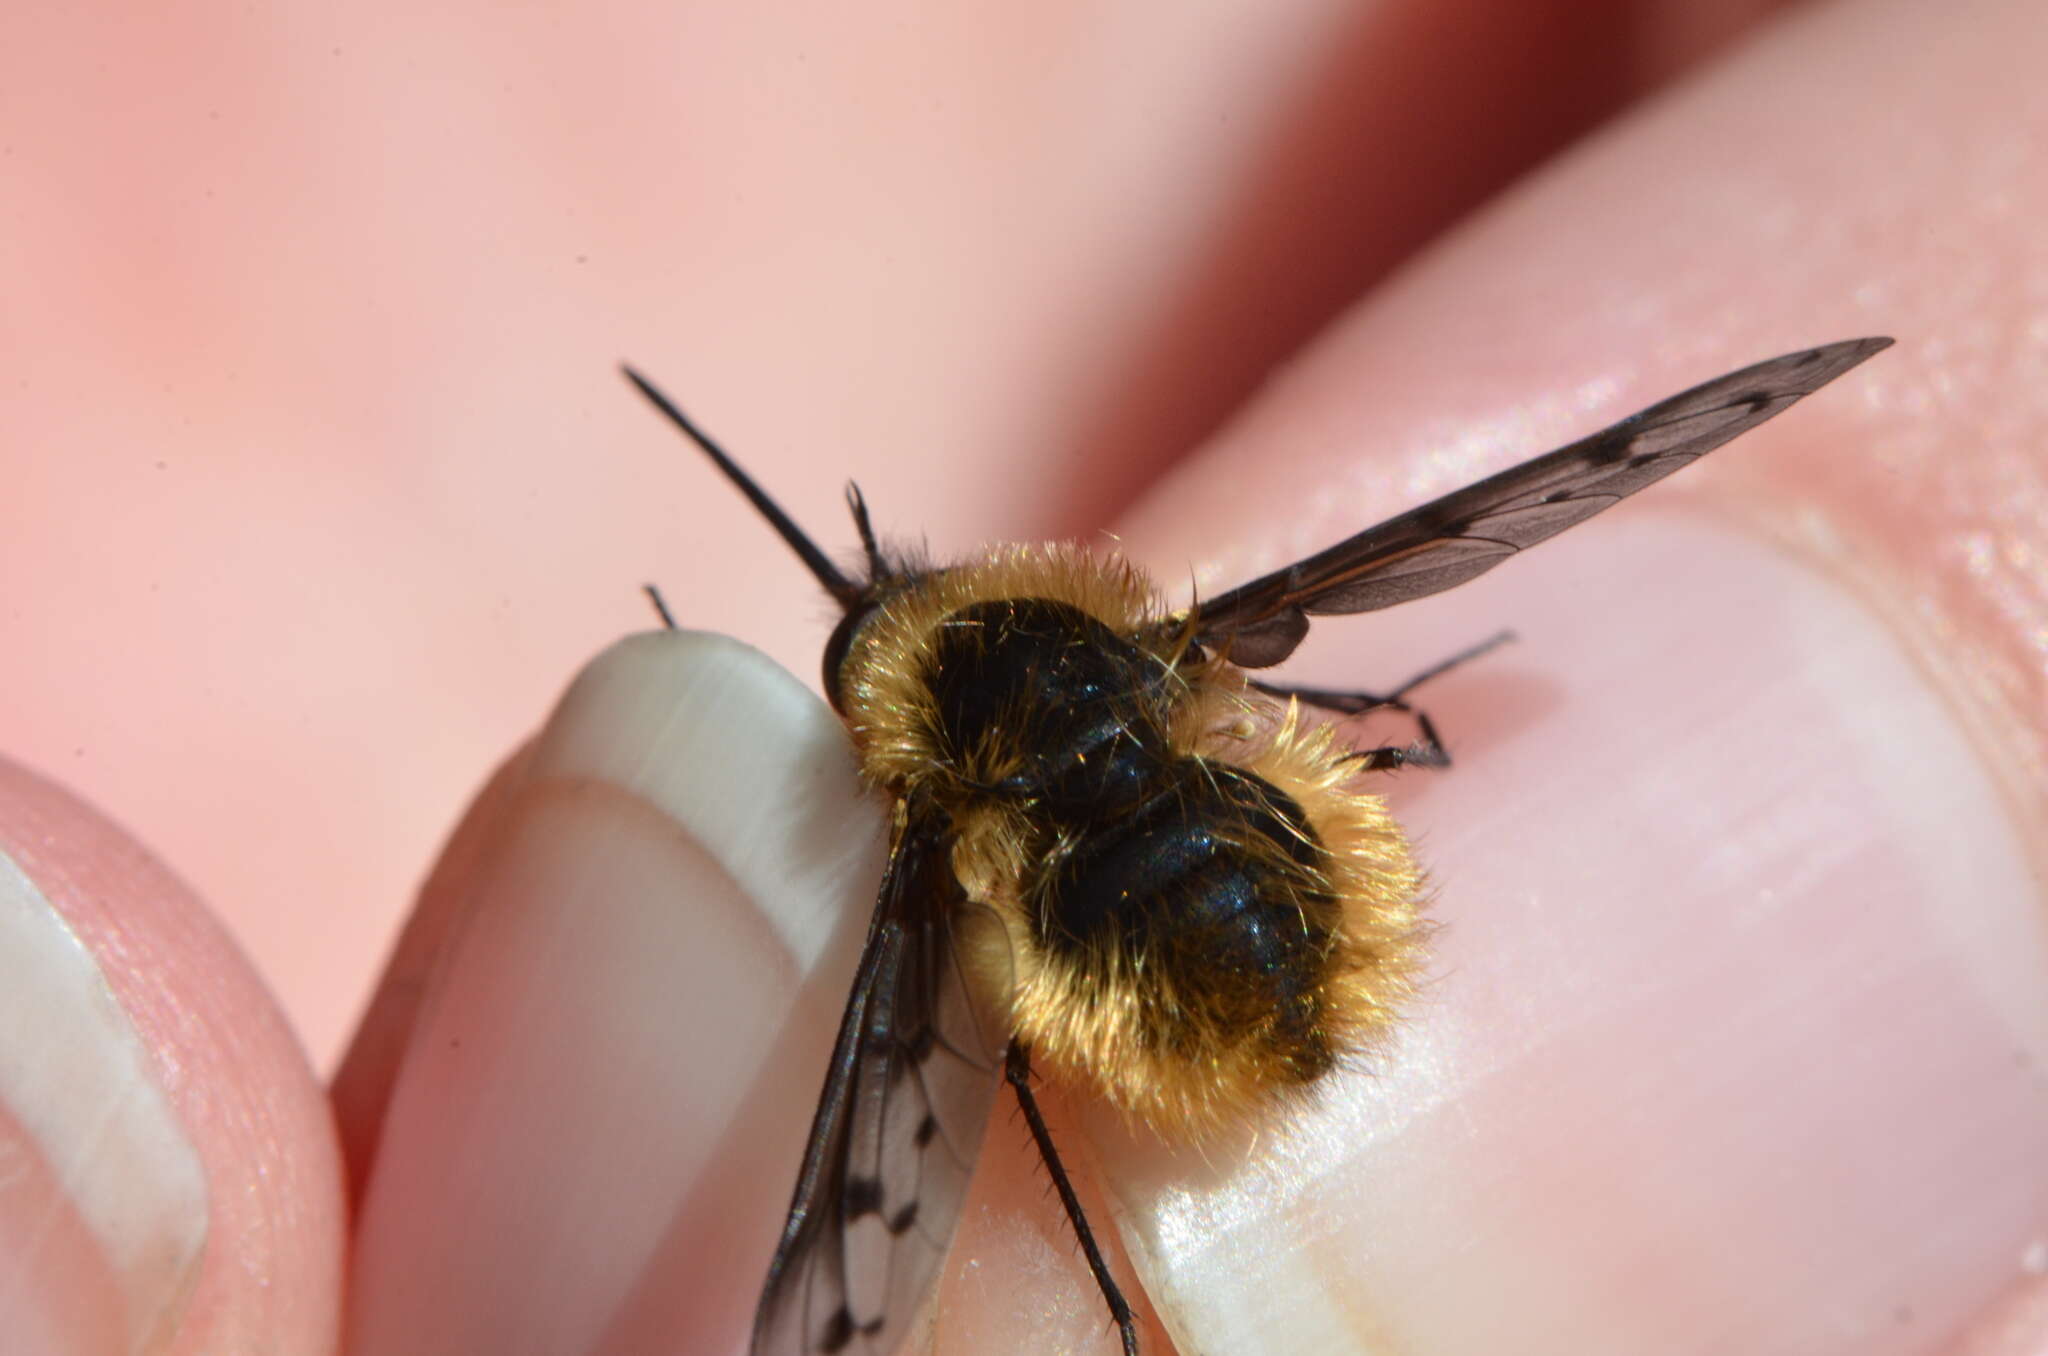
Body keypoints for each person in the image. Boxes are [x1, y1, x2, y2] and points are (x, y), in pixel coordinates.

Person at [3, 2, 2044, 1352]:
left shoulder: (923, 836)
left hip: (1195, 961)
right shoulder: (1171, 651)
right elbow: (1330, 635)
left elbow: (915, 1060)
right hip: (1266, 901)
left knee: (984, 1047)